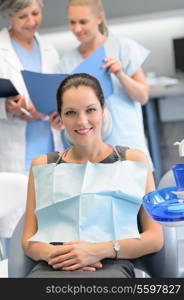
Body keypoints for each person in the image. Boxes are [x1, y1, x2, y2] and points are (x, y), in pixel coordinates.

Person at [22, 73, 163, 278]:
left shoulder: (133, 161)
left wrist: (99, 250)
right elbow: (28, 239)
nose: (82, 121)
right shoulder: (43, 165)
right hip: (53, 265)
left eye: (90, 110)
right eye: (70, 113)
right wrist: (57, 254)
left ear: (103, 110)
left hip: (110, 265)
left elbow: (155, 237)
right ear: (59, 116)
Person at [57, 0, 153, 168]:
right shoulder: (66, 62)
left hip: (127, 142)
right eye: (72, 22)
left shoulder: (123, 47)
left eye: (83, 22)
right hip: (89, 152)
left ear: (99, 18)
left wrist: (120, 74)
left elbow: (143, 96)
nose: (77, 29)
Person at [0, 0, 61, 174]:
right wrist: (7, 107)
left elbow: (60, 94)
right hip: (14, 148)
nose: (31, 22)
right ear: (8, 16)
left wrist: (53, 110)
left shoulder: (50, 49)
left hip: (49, 143)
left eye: (35, 13)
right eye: (22, 16)